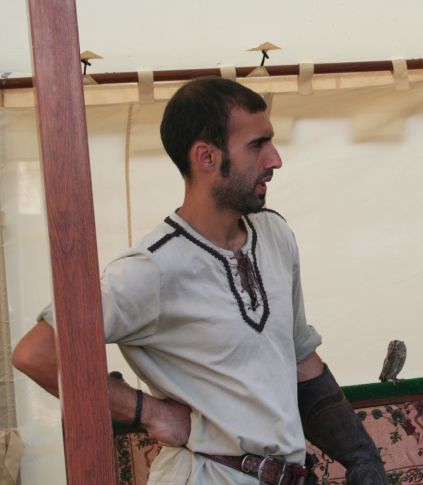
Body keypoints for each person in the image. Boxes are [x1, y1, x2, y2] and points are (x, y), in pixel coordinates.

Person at [11, 77, 387, 484]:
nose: (275, 159)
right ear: (206, 158)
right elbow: (37, 354)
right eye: (258, 144)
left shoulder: (275, 235)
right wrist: (148, 412)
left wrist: (361, 455)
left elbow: (299, 361)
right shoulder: (152, 268)